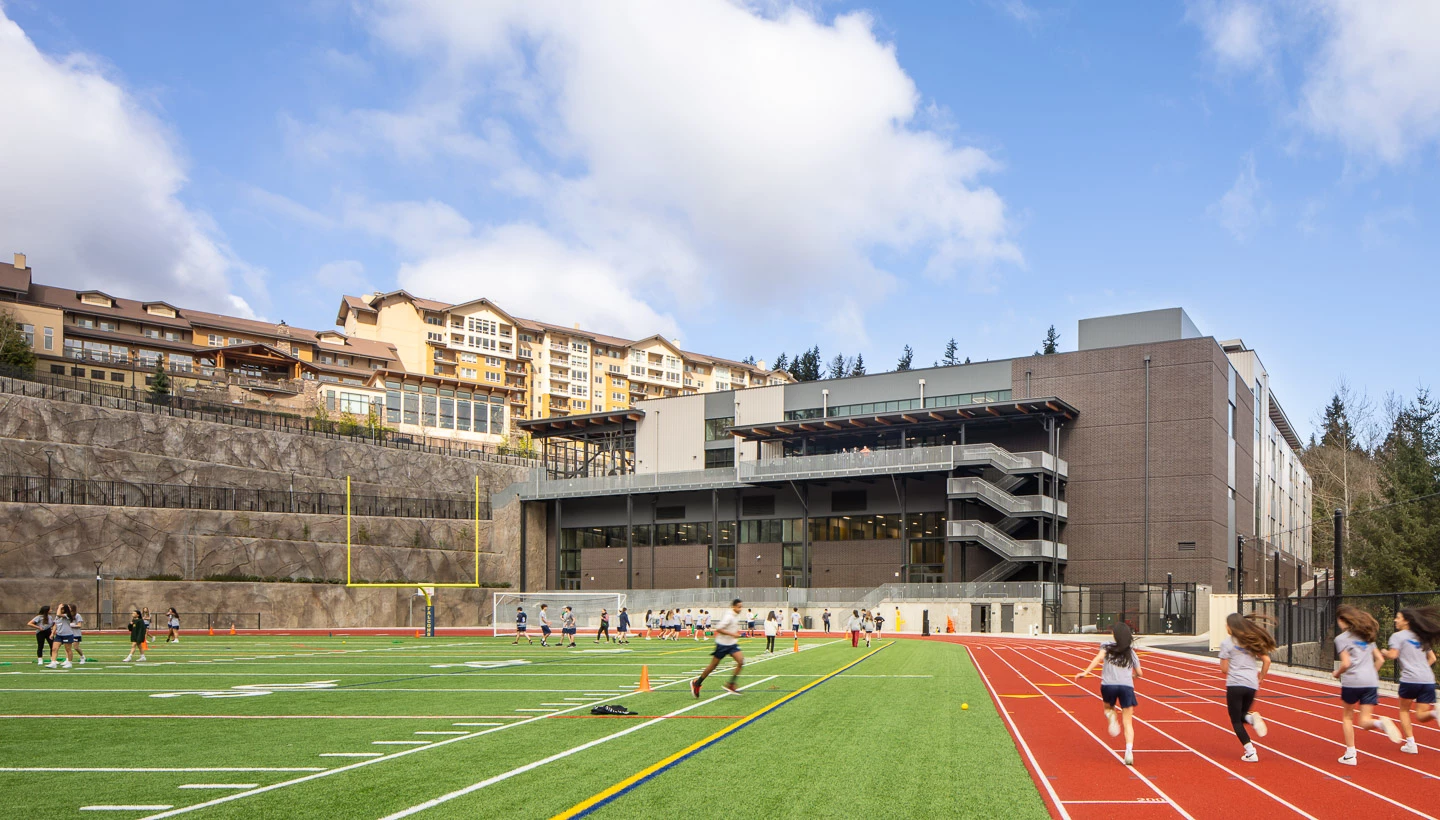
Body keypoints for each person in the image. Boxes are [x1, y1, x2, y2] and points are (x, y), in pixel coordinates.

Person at [1332, 604, 1404, 765]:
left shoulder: (1341, 639)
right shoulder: (1366, 636)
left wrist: (1337, 673)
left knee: (1347, 717)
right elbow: (1380, 659)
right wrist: (1370, 674)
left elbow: (1346, 663)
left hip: (1352, 681)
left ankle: (1350, 755)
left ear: (1343, 620)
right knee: (1364, 721)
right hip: (1371, 682)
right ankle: (1380, 723)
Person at [1075, 623, 1142, 766]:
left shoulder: (1106, 646)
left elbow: (1098, 659)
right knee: (1128, 722)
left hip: (1108, 685)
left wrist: (1085, 672)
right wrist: (1134, 676)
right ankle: (1129, 751)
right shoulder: (1131, 652)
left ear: (1115, 635)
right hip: (1126, 687)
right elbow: (1140, 673)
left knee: (1108, 708)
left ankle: (1111, 715)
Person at [1383, 606, 1439, 755]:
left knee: (1404, 710)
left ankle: (1411, 744)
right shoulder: (1421, 636)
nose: (1395, 620)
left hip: (1410, 679)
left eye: (1398, 617)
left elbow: (1393, 655)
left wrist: (1383, 652)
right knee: (1421, 715)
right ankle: (1435, 713)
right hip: (1427, 679)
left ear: (1406, 621)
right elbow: (1432, 658)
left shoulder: (1397, 636)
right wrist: (1421, 669)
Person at [1218, 613, 1274, 762]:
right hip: (1251, 684)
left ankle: (1250, 752)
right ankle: (1250, 718)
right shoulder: (1251, 641)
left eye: (1227, 625)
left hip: (1235, 684)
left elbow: (1223, 669)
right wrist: (1261, 677)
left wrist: (1234, 669)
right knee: (1242, 715)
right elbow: (1267, 660)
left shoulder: (1226, 643)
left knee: (1236, 720)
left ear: (1231, 627)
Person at [692, 598, 745, 697]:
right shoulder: (728, 616)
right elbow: (719, 629)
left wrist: (736, 634)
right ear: (733, 607)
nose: (740, 609)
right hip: (722, 644)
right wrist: (732, 634)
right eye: (739, 607)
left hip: (732, 644)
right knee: (713, 666)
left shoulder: (736, 615)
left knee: (741, 661)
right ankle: (697, 683)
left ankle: (731, 684)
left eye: (741, 607)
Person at [47, 604, 77, 668]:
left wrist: (60, 607)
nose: (60, 610)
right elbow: (56, 625)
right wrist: (52, 633)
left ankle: (69, 663)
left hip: (67, 635)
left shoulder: (67, 615)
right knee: (54, 648)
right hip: (59, 635)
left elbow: (58, 614)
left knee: (68, 649)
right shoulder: (57, 617)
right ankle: (53, 662)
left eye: (62, 609)